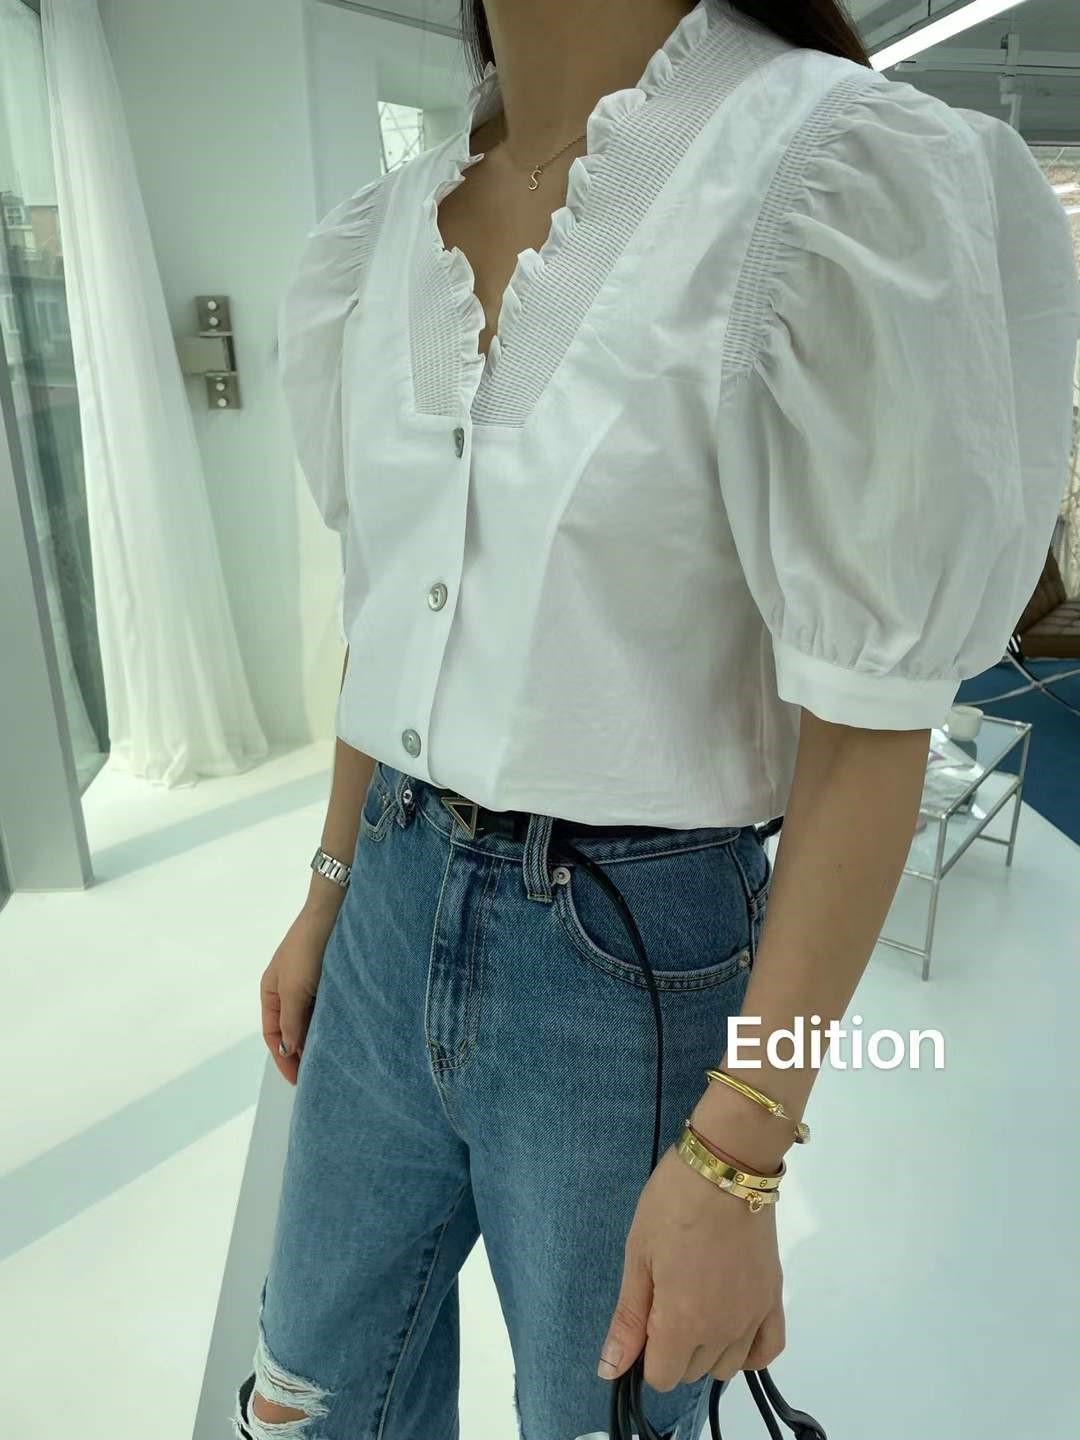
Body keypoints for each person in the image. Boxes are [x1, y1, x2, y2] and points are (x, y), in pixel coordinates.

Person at [232, 1, 1080, 1436]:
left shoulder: (824, 170)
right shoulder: (385, 230)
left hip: (620, 955)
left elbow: (866, 733)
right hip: (391, 889)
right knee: (305, 1394)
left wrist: (744, 1153)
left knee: (599, 1420)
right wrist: (329, 887)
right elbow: (393, 617)